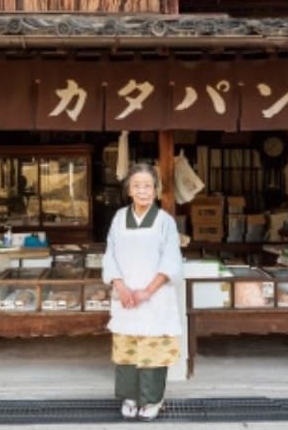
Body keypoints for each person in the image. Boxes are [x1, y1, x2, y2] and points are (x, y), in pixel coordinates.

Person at [102, 162, 183, 421]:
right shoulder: (118, 218)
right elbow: (110, 254)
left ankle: (152, 399)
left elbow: (171, 260)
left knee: (152, 349)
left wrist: (147, 291)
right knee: (127, 348)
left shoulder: (164, 221)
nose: (143, 191)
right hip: (125, 297)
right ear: (129, 190)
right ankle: (129, 396)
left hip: (154, 297)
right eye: (137, 186)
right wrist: (121, 286)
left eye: (148, 186)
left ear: (155, 190)